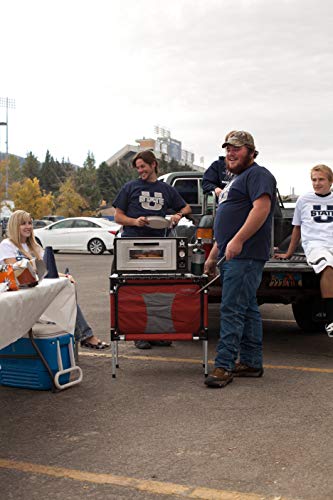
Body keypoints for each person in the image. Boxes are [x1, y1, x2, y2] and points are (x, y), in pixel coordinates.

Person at [204, 130, 276, 388]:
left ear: (252, 152)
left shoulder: (258, 174)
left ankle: (224, 366)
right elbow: (226, 222)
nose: (230, 154)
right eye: (227, 149)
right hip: (233, 254)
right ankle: (251, 362)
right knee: (246, 309)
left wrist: (238, 240)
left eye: (237, 148)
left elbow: (262, 208)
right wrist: (214, 255)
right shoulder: (237, 180)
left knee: (232, 309)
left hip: (245, 256)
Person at [113, 149, 192, 349]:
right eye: (138, 168)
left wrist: (177, 216)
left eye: (143, 166)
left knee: (158, 290)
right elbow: (118, 217)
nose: (141, 171)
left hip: (160, 248)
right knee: (135, 290)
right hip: (134, 246)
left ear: (153, 164)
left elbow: (186, 208)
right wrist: (134, 221)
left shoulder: (166, 189)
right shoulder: (130, 187)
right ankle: (138, 334)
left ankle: (158, 333)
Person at [0, 210, 109, 350]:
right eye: (23, 224)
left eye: (30, 223)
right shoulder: (7, 245)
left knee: (66, 291)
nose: (28, 227)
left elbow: (46, 270)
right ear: (15, 226)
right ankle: (85, 337)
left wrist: (64, 276)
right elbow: (16, 271)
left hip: (33, 291)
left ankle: (82, 337)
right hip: (17, 295)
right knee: (62, 297)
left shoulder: (33, 245)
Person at [274, 164, 333, 337]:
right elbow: (297, 229)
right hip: (316, 245)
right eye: (314, 180)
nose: (317, 183)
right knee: (328, 266)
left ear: (330, 181)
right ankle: (330, 319)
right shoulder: (304, 200)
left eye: (321, 179)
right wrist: (289, 253)